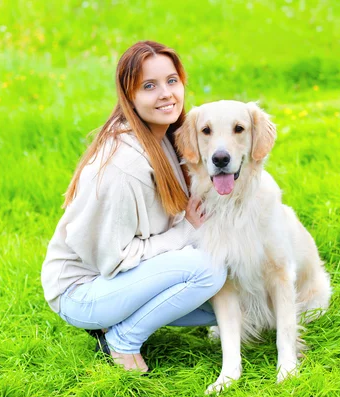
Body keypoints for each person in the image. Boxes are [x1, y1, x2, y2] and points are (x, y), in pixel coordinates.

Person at [41, 41, 226, 373]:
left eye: (172, 80)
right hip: (83, 291)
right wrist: (187, 230)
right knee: (209, 270)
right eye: (149, 86)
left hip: (123, 280)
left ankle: (121, 319)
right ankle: (122, 339)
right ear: (130, 97)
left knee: (232, 294)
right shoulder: (123, 167)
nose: (166, 93)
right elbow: (114, 260)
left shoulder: (168, 138)